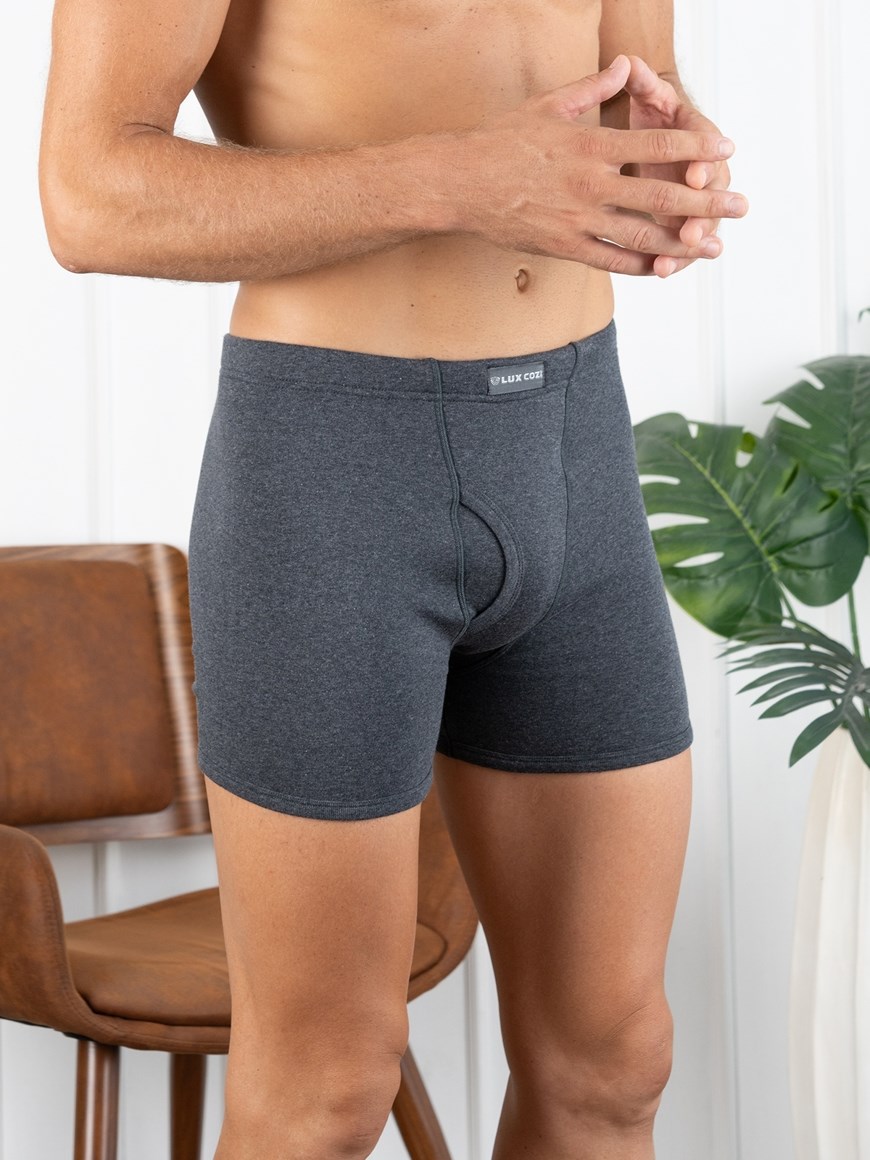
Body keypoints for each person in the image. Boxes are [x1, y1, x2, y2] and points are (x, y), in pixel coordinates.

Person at [38, 0, 747, 1152]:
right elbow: (88, 192)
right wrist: (462, 180)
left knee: (613, 1059)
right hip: (335, 467)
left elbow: (637, 78)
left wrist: (666, 159)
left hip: (573, 442)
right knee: (325, 1088)